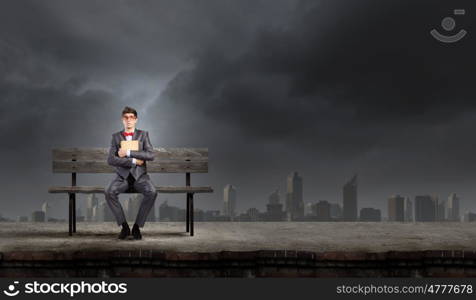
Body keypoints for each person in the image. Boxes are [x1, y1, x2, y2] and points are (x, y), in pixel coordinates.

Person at [105, 106, 157, 240]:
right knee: (109, 192)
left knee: (152, 192)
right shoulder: (116, 137)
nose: (129, 120)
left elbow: (150, 155)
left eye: (131, 117)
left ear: (136, 120)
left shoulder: (143, 135)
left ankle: (137, 227)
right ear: (122, 120)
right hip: (122, 177)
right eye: (126, 117)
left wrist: (128, 153)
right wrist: (133, 161)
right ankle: (124, 226)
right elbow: (111, 159)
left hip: (140, 176)